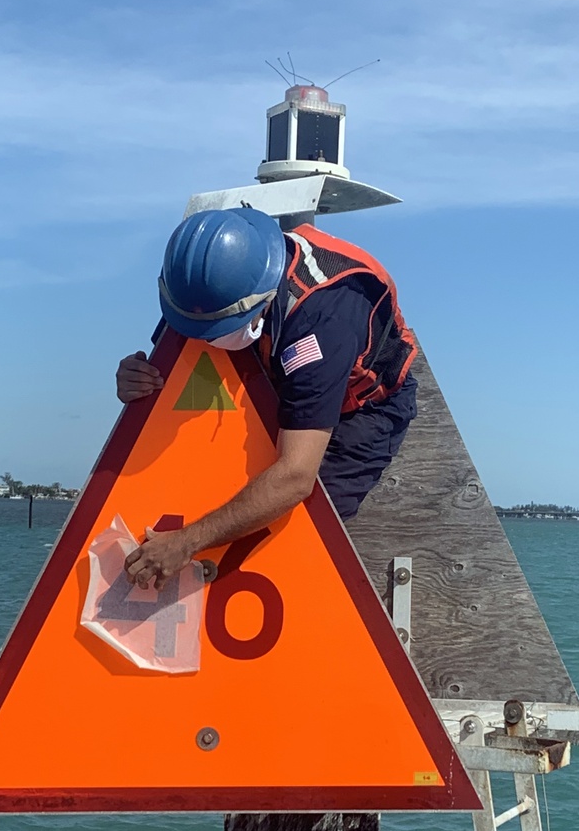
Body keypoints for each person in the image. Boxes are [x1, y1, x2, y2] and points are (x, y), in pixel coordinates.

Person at [116, 207, 417, 590]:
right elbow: (173, 360)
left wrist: (186, 542)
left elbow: (295, 477)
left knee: (299, 535)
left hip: (359, 408)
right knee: (219, 494)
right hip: (273, 357)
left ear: (256, 301)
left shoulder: (324, 319)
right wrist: (134, 378)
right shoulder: (202, 289)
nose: (202, 340)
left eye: (214, 331)